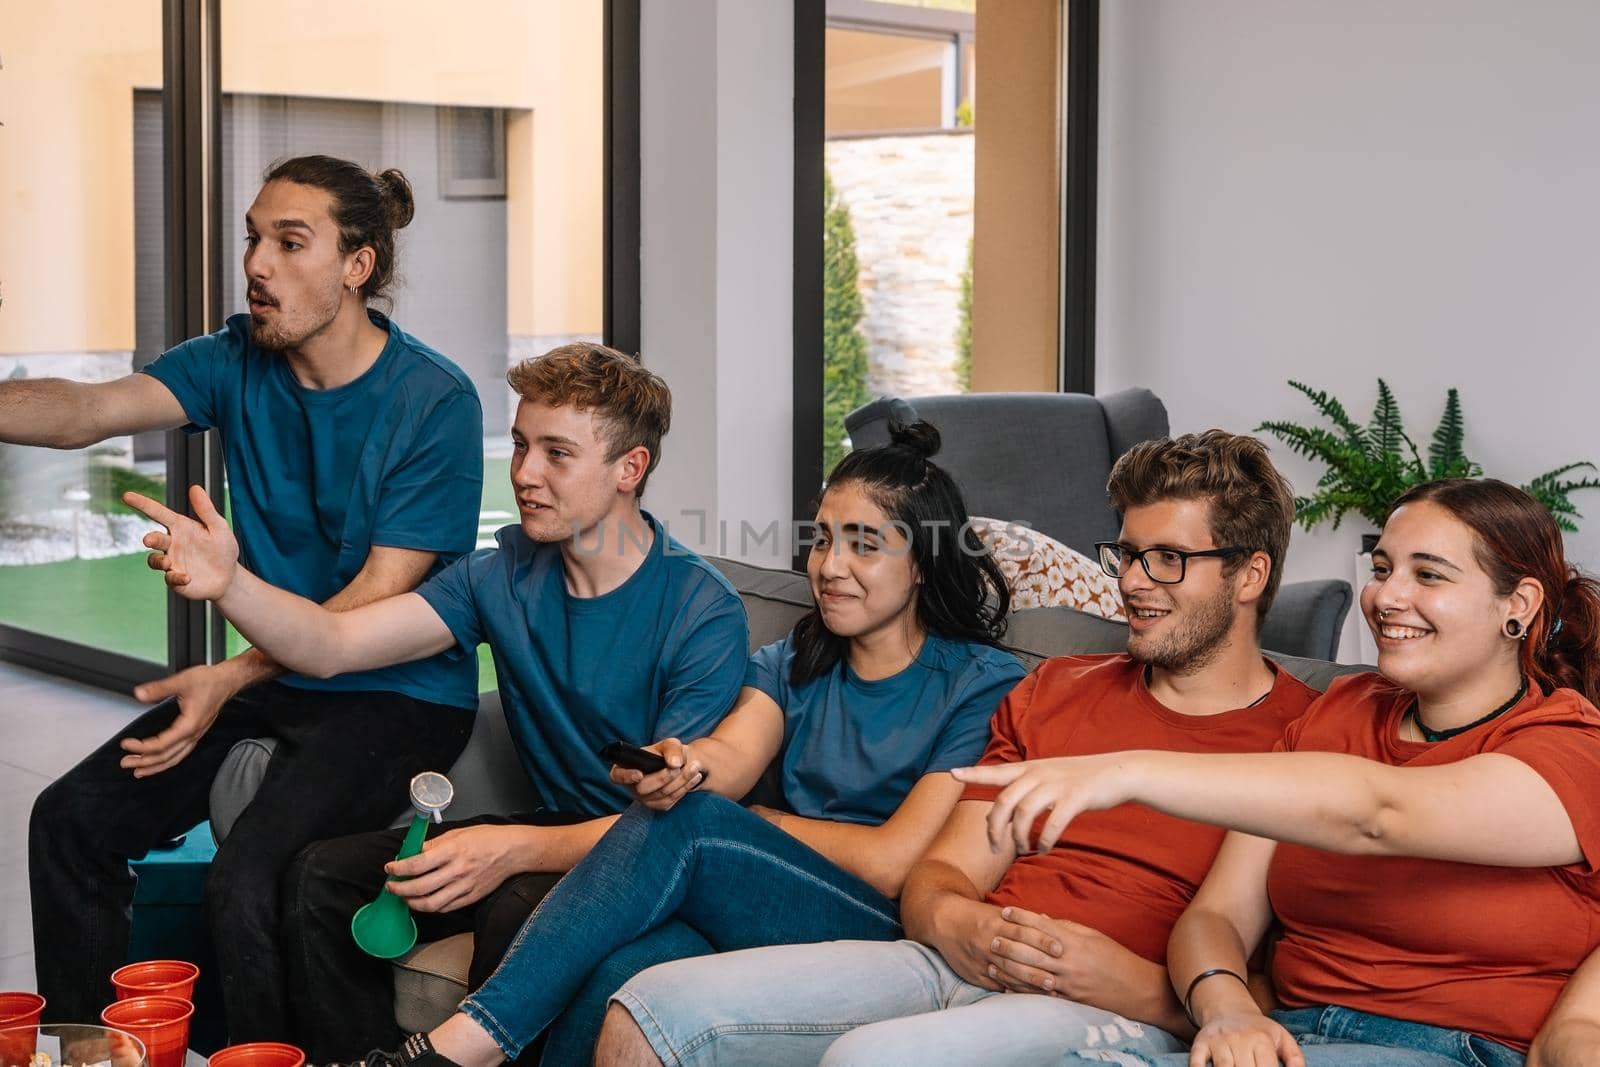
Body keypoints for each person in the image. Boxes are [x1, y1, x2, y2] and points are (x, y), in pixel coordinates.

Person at [593, 429, 1324, 1067]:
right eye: (1127, 554)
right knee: (651, 1006)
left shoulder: (1308, 739)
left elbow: (1294, 982)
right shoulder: (1055, 689)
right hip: (954, 959)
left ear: (1250, 573)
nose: (1131, 583)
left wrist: (1142, 986)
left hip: (1113, 1007)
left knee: (868, 1057)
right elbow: (940, 870)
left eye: (1166, 559)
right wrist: (958, 920)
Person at [315, 420, 1030, 1067]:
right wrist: (686, 766)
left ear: (925, 564)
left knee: (697, 821)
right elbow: (732, 756)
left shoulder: (981, 682)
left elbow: (892, 862)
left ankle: (456, 1049)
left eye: (864, 545)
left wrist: (751, 822)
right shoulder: (793, 661)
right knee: (618, 972)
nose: (830, 566)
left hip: (882, 929)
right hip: (761, 898)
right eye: (822, 538)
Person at [121, 343, 749, 1061]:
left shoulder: (701, 610)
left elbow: (673, 826)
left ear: (628, 469)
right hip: (555, 826)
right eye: (519, 445)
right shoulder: (499, 575)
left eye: (556, 453)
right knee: (320, 875)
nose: (524, 473)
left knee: (519, 905)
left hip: (651, 862)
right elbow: (331, 643)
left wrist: (510, 850)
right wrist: (232, 584)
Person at [17, 155, 484, 1041]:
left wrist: (229, 678)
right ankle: (90, 1054)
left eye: (289, 241)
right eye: (254, 237)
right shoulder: (232, 359)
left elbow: (373, 600)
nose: (257, 263)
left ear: (359, 265)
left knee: (249, 875)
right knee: (71, 819)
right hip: (279, 669)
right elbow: (83, 410)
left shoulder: (434, 401)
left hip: (397, 689)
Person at [961, 478, 1600, 1066]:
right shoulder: (1343, 711)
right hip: (1293, 1034)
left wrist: (1126, 771)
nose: (1388, 596)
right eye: (1382, 569)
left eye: (1428, 575)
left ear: (1517, 605)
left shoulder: (1571, 748)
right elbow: (1218, 917)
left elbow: (1378, 814)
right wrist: (1227, 1009)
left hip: (1453, 1048)